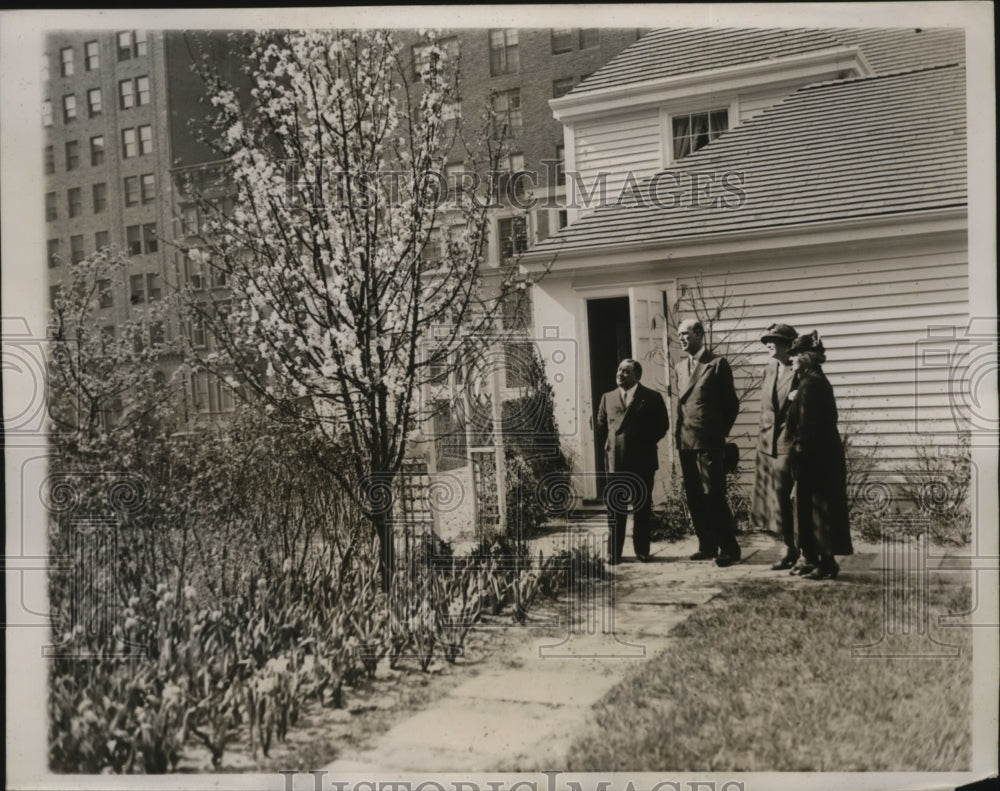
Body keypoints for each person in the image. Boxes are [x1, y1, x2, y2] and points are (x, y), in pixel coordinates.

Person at [785, 331, 854, 579]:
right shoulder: (808, 381)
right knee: (807, 509)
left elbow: (807, 428)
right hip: (815, 456)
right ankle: (811, 558)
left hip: (817, 458)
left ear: (810, 356)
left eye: (796, 354)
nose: (791, 358)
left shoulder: (812, 384)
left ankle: (826, 563)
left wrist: (800, 463)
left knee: (820, 509)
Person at [675, 319, 741, 567]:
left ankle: (729, 547)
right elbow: (681, 407)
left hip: (710, 441)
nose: (682, 339)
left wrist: (718, 434)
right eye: (679, 334)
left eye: (686, 334)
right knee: (694, 496)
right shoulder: (680, 367)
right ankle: (707, 544)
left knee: (713, 494)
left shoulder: (716, 364)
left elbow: (731, 405)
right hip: (686, 441)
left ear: (700, 334)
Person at [596, 358, 669, 564]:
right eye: (619, 370)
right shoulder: (607, 398)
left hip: (642, 461)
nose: (620, 374)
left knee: (642, 507)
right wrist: (614, 445)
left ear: (637, 376)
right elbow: (601, 428)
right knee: (615, 509)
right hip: (615, 462)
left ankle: (642, 550)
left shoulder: (652, 397)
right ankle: (614, 552)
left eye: (626, 371)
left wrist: (642, 443)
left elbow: (662, 425)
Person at [750, 323, 800, 570]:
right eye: (767, 340)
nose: (769, 344)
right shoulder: (769, 370)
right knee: (775, 500)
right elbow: (766, 409)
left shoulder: (798, 370)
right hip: (767, 443)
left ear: (789, 345)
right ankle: (790, 546)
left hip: (789, 443)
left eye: (775, 340)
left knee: (788, 499)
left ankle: (795, 549)